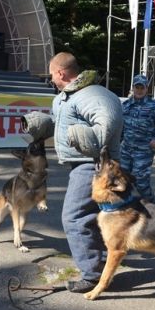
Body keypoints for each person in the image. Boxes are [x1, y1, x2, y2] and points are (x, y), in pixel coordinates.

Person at [26, 52, 123, 293]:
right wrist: (42, 126)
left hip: (94, 164)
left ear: (61, 73)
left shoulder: (92, 95)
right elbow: (63, 124)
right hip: (82, 164)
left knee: (75, 217)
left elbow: (106, 122)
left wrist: (92, 139)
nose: (51, 79)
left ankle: (92, 275)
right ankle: (101, 265)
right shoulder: (66, 97)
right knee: (95, 217)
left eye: (52, 74)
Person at [121, 74, 155, 203]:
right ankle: (128, 206)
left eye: (142, 87)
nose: (139, 90)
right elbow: (120, 126)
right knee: (122, 179)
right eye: (137, 87)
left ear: (146, 89)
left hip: (144, 150)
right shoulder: (125, 105)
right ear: (133, 87)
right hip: (126, 149)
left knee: (140, 181)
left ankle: (152, 205)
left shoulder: (154, 106)